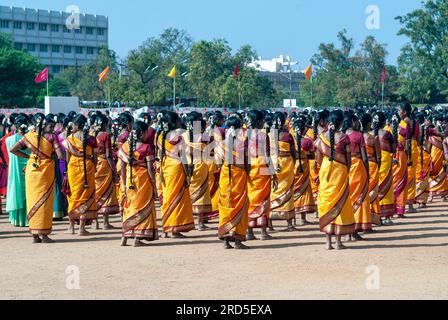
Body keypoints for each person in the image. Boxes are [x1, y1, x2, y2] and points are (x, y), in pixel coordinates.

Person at [10, 113, 65, 243]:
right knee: (45, 202)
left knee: (33, 201)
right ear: (44, 124)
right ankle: (44, 235)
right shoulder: (52, 137)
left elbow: (13, 149)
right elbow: (60, 156)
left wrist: (28, 157)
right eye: (49, 125)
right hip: (45, 171)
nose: (51, 128)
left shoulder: (28, 136)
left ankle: (34, 235)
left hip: (32, 171)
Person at [315, 110, 355, 250]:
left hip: (326, 169)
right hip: (340, 170)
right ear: (341, 123)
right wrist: (348, 170)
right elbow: (349, 158)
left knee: (326, 203)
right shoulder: (344, 137)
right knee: (340, 203)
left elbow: (318, 157)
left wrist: (322, 169)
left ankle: (328, 242)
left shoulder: (321, 137)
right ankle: (338, 242)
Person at [119, 121, 159, 247]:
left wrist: (124, 185)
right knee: (142, 207)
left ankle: (124, 238)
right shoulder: (146, 148)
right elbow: (150, 170)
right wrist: (154, 185)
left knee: (129, 206)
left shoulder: (125, 147)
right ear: (142, 133)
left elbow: (123, 169)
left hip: (129, 180)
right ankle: (137, 238)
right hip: (143, 181)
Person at [158, 111, 195, 238]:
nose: (180, 122)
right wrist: (187, 174)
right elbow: (183, 157)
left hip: (165, 168)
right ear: (174, 123)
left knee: (167, 197)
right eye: (178, 120)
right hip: (177, 169)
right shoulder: (178, 137)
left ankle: (165, 228)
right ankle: (174, 229)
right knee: (177, 199)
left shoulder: (160, 136)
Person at [218, 115, 250, 249]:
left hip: (226, 176)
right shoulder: (243, 144)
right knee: (241, 205)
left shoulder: (221, 144)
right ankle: (237, 240)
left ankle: (226, 240)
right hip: (240, 176)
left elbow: (218, 163)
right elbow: (247, 163)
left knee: (225, 205)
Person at [66, 115, 98, 236]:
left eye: (73, 124)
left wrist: (68, 172)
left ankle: (71, 227)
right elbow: (95, 157)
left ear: (77, 125)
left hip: (73, 168)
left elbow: (67, 157)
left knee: (73, 196)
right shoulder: (92, 139)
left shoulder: (69, 138)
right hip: (88, 167)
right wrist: (93, 168)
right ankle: (82, 228)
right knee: (86, 196)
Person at [245, 110, 275, 241]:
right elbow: (268, 156)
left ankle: (249, 231)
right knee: (263, 199)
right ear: (259, 121)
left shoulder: (244, 135)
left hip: (250, 167)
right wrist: (274, 174)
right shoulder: (264, 136)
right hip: (262, 167)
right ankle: (263, 232)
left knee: (250, 199)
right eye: (263, 120)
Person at [184, 112, 216, 231]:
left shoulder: (182, 135)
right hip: (201, 166)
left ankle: (189, 220)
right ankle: (200, 223)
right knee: (201, 194)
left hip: (186, 166)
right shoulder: (204, 136)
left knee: (188, 193)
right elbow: (212, 150)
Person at [344, 111, 371, 238]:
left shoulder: (342, 136)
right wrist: (368, 171)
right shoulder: (358, 135)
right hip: (359, 168)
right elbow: (365, 157)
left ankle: (348, 228)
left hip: (346, 167)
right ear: (352, 122)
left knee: (348, 197)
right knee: (360, 196)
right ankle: (356, 228)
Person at [269, 112, 297, 231]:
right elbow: (293, 152)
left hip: (280, 165)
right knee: (280, 191)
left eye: (280, 120)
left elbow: (293, 152)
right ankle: (279, 223)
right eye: (278, 120)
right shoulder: (272, 135)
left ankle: (282, 223)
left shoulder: (286, 135)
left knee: (280, 191)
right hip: (279, 165)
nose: (279, 122)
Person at [94, 114, 120, 229]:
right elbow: (109, 155)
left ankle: (95, 223)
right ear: (105, 124)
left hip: (95, 164)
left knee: (95, 192)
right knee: (106, 192)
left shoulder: (91, 135)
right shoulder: (106, 136)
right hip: (104, 164)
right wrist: (114, 170)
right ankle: (105, 222)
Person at [6, 114, 29, 227]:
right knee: (28, 193)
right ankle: (27, 219)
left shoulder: (9, 140)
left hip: (15, 171)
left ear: (15, 126)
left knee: (17, 192)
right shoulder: (31, 138)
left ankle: (16, 220)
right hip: (29, 169)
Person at [292, 116, 316, 225]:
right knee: (304, 190)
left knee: (291, 190)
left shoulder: (290, 140)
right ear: (304, 130)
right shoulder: (307, 141)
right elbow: (312, 155)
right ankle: (302, 219)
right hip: (304, 167)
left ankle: (292, 219)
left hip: (292, 167)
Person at [361, 113, 382, 227]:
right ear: (369, 124)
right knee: (373, 192)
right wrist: (378, 167)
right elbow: (379, 157)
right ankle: (372, 217)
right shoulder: (373, 138)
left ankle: (364, 216)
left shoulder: (358, 137)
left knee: (364, 191)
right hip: (373, 166)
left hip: (361, 166)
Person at [377, 112, 396, 225]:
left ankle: (376, 215)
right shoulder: (387, 134)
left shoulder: (369, 134)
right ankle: (387, 217)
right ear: (384, 122)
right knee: (387, 188)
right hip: (385, 162)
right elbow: (393, 148)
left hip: (374, 164)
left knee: (375, 187)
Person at [393, 104, 412, 217]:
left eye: (399, 110)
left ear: (404, 112)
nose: (398, 111)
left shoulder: (405, 123)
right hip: (398, 154)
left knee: (399, 180)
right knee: (398, 180)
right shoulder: (400, 123)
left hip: (400, 154)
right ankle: (397, 208)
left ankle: (398, 208)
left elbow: (407, 142)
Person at [429, 114, 448, 200]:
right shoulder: (442, 131)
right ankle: (440, 194)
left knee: (436, 173)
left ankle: (433, 194)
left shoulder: (434, 131)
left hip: (437, 153)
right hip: (441, 153)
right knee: (440, 172)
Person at [406, 110, 420, 213]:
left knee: (407, 177)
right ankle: (409, 204)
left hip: (407, 149)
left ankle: (406, 204)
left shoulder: (404, 122)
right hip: (414, 148)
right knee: (411, 177)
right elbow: (418, 138)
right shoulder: (416, 123)